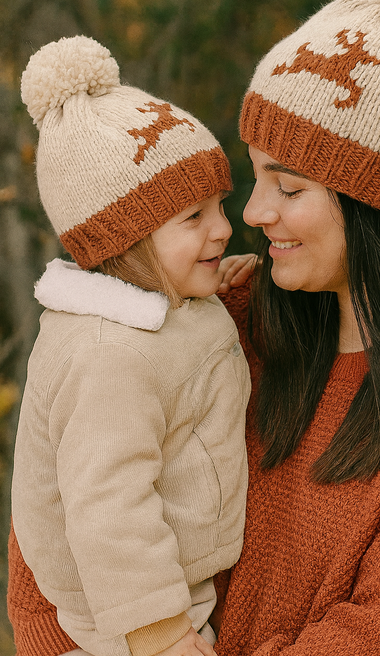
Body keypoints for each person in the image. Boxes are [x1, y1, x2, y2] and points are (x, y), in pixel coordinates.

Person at [8, 0, 380, 656]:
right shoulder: (223, 315)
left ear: (378, 202)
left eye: (287, 186)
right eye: (254, 177)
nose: (253, 215)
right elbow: (60, 502)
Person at [9, 36, 251, 656]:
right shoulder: (106, 356)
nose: (223, 227)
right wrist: (162, 635)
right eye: (193, 218)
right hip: (125, 622)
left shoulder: (146, 308)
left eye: (219, 205)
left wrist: (206, 286)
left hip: (173, 589)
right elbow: (107, 511)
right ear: (127, 242)